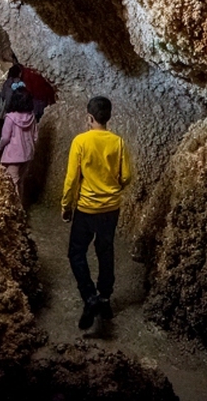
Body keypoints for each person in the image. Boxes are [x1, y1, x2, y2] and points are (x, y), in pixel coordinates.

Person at [61, 96, 133, 329]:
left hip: (86, 208)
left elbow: (72, 179)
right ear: (108, 117)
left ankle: (89, 296)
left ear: (89, 117)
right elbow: (126, 176)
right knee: (105, 251)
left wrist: (66, 206)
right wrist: (114, 189)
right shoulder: (117, 142)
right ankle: (104, 298)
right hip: (110, 208)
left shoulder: (81, 141)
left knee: (76, 253)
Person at [0, 87, 38, 202]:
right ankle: (21, 207)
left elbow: (5, 138)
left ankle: (15, 210)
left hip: (13, 156)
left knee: (12, 183)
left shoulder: (10, 118)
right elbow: (35, 137)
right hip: (27, 154)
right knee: (20, 182)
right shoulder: (32, 117)